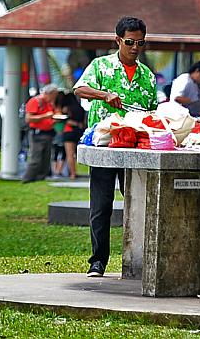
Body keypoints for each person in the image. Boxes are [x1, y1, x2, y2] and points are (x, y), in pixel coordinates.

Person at [73, 16, 158, 277]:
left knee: (138, 203)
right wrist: (104, 95)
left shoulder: (148, 76)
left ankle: (140, 260)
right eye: (130, 42)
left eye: (140, 43)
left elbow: (153, 111)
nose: (135, 48)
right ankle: (97, 261)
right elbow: (79, 89)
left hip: (135, 148)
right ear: (118, 40)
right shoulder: (100, 66)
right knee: (101, 205)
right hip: (106, 146)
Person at [21, 84, 60, 183]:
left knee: (46, 158)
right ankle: (27, 178)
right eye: (53, 95)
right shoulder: (35, 101)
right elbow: (28, 118)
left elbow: (51, 115)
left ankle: (41, 177)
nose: (54, 98)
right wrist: (45, 116)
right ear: (48, 94)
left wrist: (55, 119)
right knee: (36, 158)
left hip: (48, 133)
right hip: (37, 134)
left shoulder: (49, 103)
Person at [57, 91, 87, 179]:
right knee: (76, 153)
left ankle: (73, 173)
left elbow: (62, 119)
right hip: (79, 132)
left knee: (70, 154)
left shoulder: (66, 109)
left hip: (69, 131)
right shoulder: (80, 108)